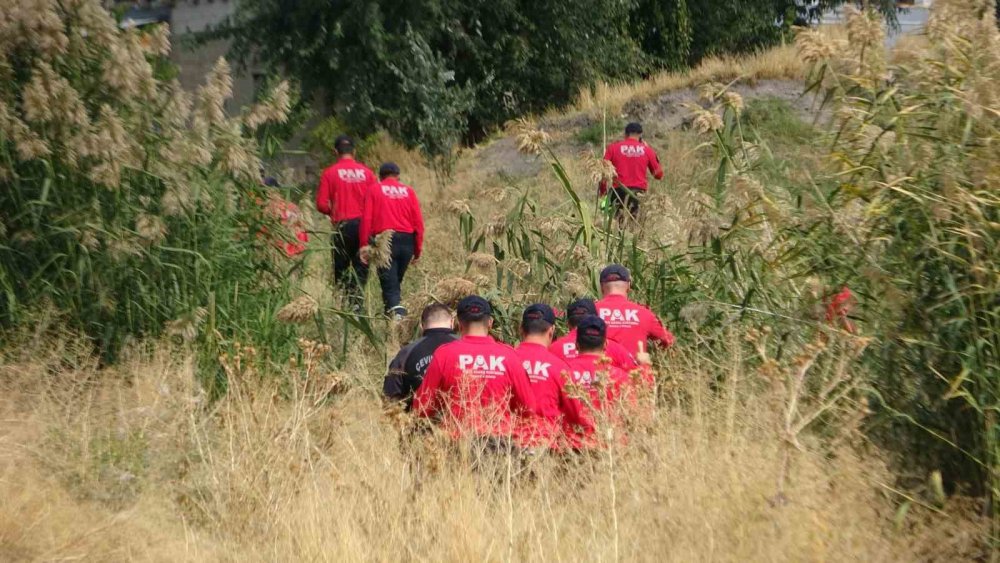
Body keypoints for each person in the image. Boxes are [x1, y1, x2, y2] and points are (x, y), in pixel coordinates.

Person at [412, 296, 537, 443]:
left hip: (456, 443)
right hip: (499, 444)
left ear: (458, 323)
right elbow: (529, 408)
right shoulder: (509, 355)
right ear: (490, 323)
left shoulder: (445, 354)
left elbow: (421, 407)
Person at [514, 303, 587, 449]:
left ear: (521, 329)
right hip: (546, 445)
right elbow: (575, 413)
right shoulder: (560, 368)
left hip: (508, 444)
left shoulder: (506, 359)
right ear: (551, 330)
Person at [359, 162, 425, 320]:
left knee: (390, 286)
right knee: (395, 283)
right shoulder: (409, 191)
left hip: (385, 242)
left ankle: (398, 319)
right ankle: (391, 316)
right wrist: (417, 250)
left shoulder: (374, 189)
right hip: (407, 241)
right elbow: (418, 223)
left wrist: (363, 246)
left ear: (380, 176)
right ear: (398, 176)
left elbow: (367, 219)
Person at [315, 135, 377, 303]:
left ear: (335, 152)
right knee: (361, 265)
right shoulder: (368, 173)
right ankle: (356, 304)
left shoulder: (329, 173)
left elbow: (321, 204)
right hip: (364, 227)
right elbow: (376, 202)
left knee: (341, 268)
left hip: (342, 227)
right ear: (354, 151)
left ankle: (342, 304)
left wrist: (333, 211)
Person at [563, 315, 632, 448]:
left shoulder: (564, 373)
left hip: (573, 448)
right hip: (611, 448)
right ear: (605, 344)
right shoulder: (620, 376)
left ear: (576, 344)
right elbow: (636, 413)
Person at [383, 303, 458, 409]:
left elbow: (391, 396)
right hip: (462, 421)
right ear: (452, 322)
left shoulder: (406, 352)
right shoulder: (467, 348)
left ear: (421, 326)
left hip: (419, 421)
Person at [595, 265, 675, 357]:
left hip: (599, 369)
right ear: (629, 285)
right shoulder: (644, 313)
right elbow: (668, 340)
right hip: (634, 370)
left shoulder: (589, 311)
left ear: (601, 286)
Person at [549, 297, 640, 371]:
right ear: (596, 320)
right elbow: (636, 378)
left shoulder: (553, 349)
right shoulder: (615, 348)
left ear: (568, 324)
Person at [599, 122, 663, 222]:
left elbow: (603, 172)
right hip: (638, 194)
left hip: (617, 191)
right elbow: (658, 174)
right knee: (636, 225)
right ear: (641, 135)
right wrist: (653, 153)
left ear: (625, 134)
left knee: (618, 226)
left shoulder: (613, 148)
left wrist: (603, 192)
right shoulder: (647, 150)